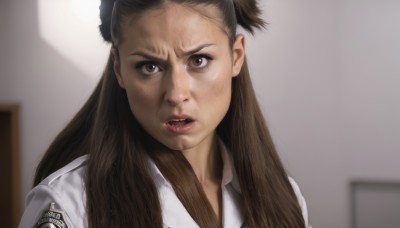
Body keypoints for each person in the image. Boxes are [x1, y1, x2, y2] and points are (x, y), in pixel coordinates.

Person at [19, 0, 312, 227]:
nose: (176, 93)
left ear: (236, 57)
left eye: (199, 60)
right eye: (150, 67)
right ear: (119, 69)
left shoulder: (284, 198)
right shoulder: (69, 205)